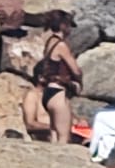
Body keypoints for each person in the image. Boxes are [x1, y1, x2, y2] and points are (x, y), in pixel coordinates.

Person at [28, 9, 83, 146]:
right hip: (58, 92)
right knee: (64, 137)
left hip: (48, 92)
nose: (70, 30)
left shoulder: (49, 43)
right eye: (69, 26)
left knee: (54, 134)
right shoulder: (61, 45)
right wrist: (78, 82)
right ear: (63, 25)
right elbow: (75, 69)